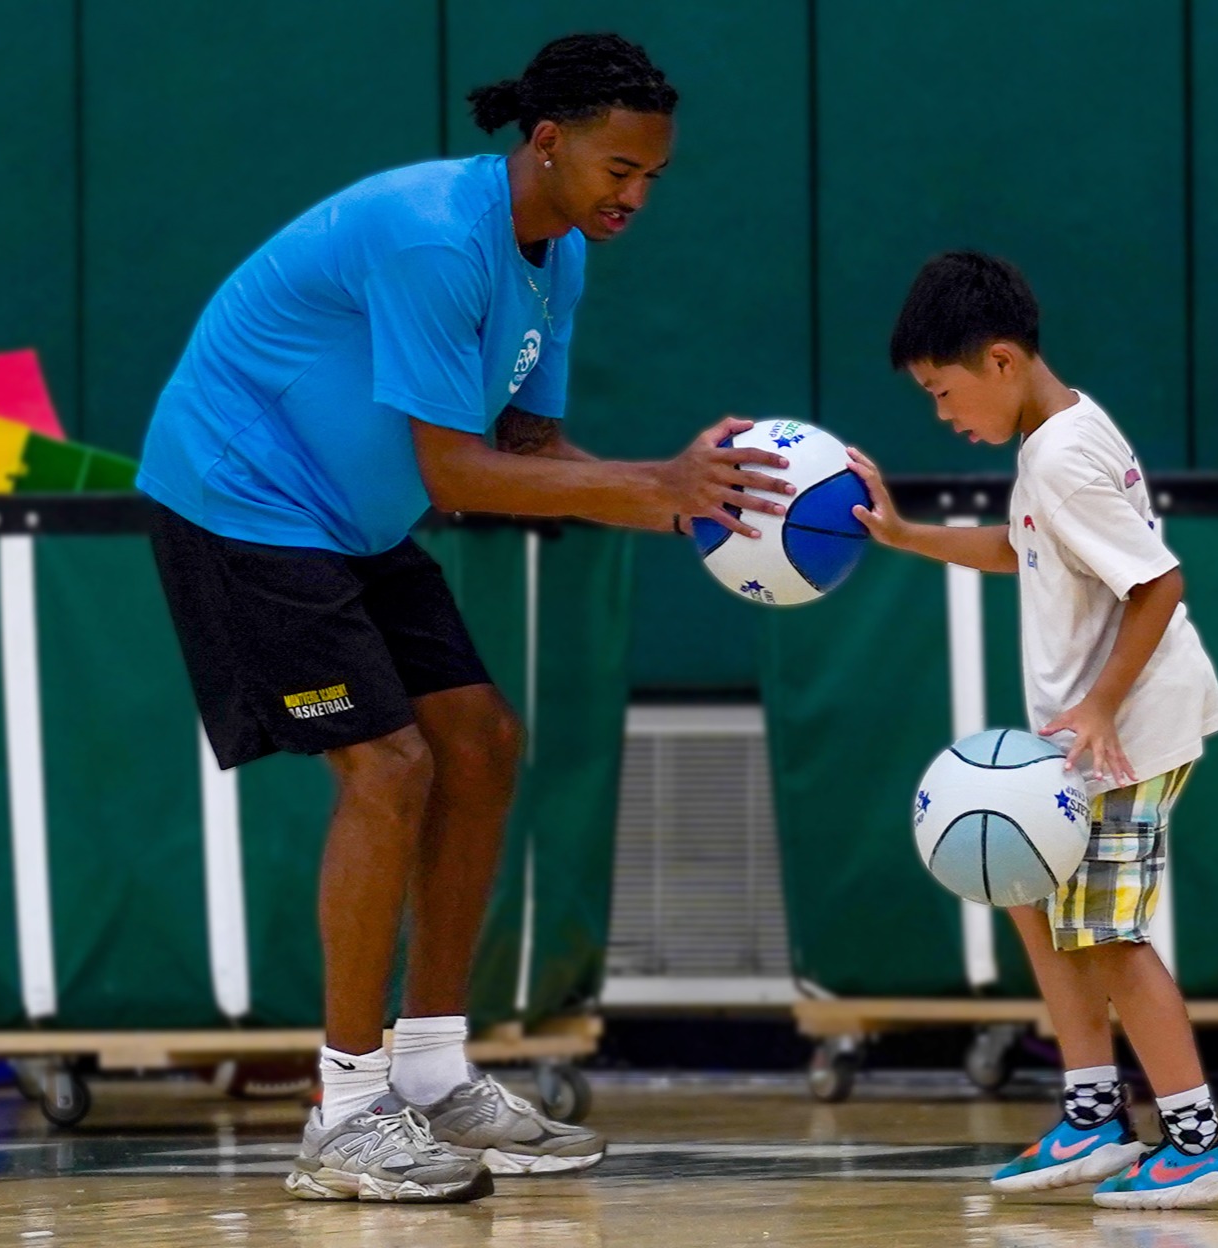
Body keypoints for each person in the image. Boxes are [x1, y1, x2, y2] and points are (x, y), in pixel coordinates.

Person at [136, 32, 794, 1204]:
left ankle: (435, 1073)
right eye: (616, 171)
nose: (634, 196)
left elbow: (529, 449)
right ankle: (343, 1112)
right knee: (386, 769)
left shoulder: (560, 257)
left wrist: (696, 513)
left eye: (651, 178)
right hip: (240, 497)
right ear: (545, 142)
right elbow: (454, 471)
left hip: (352, 520)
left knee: (481, 744)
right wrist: (657, 488)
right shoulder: (436, 235)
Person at [847, 251, 1218, 1211]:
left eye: (944, 394)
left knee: (1109, 936)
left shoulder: (1062, 457)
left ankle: (1199, 1137)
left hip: (1127, 732)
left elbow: (1157, 582)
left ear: (999, 360)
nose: (944, 416)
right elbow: (1012, 548)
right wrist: (904, 535)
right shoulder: (1057, 436)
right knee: (1033, 896)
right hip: (1087, 736)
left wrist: (1102, 703)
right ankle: (1091, 1113)